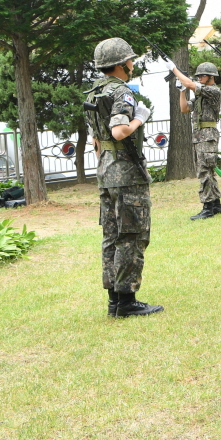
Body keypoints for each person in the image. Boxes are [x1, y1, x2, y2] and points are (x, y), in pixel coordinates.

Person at [85, 37, 163, 317]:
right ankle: (127, 302)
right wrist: (140, 117)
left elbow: (97, 141)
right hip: (127, 174)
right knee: (131, 235)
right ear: (120, 65)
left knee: (111, 236)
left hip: (106, 171)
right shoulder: (122, 92)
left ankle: (114, 301)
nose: (132, 64)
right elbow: (119, 131)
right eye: (129, 60)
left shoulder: (94, 93)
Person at [172, 61, 221, 220]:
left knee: (204, 171)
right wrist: (182, 91)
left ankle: (208, 207)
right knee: (207, 170)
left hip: (207, 136)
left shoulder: (213, 91)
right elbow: (184, 108)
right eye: (199, 75)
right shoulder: (201, 96)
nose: (200, 77)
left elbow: (189, 83)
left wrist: (174, 69)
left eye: (203, 75)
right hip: (200, 136)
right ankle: (215, 205)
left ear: (211, 77)